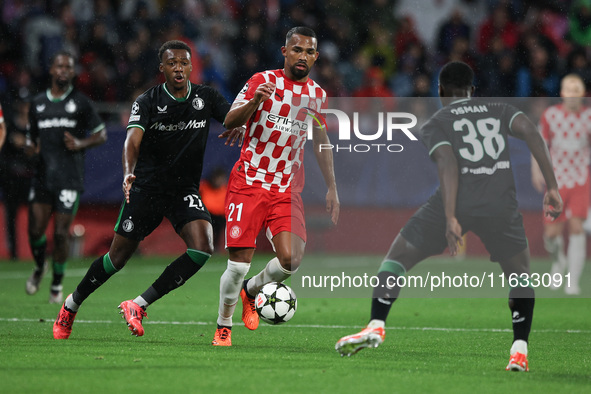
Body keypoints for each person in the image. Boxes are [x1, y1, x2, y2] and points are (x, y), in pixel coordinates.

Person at [335, 62, 563, 373]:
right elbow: (531, 132)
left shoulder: (436, 121)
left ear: (440, 92)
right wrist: (552, 187)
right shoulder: (499, 108)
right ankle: (519, 350)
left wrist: (451, 215)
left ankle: (376, 324)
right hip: (501, 206)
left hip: (455, 201)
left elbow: (447, 163)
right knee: (520, 275)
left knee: (397, 258)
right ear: (472, 91)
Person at [53, 40, 239, 340]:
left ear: (191, 67)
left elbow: (232, 117)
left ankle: (138, 305)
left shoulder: (206, 97)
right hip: (147, 189)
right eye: (172, 62)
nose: (178, 67)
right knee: (116, 259)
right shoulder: (147, 101)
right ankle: (70, 306)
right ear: (162, 68)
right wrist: (128, 173)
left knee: (202, 246)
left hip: (183, 190)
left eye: (183, 62)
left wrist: (246, 112)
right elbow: (132, 141)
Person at [211, 26, 340, 346]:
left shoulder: (318, 96)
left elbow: (321, 140)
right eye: (297, 50)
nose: (303, 56)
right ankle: (223, 325)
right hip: (249, 183)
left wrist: (332, 187)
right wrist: (255, 101)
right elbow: (229, 121)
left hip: (286, 189)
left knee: (292, 260)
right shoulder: (261, 81)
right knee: (237, 265)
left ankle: (250, 292)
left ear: (316, 57)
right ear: (285, 52)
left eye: (309, 52)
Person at [25, 51, 107, 303]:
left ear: (72, 73)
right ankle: (40, 267)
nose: (63, 70)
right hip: (42, 176)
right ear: (51, 69)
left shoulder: (80, 103)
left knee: (61, 233)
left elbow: (101, 133)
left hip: (69, 178)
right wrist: (29, 148)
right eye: (59, 66)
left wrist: (81, 142)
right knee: (35, 230)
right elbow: (31, 140)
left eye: (68, 67)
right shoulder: (38, 103)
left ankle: (57, 285)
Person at [531, 74, 591, 295]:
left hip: (580, 179)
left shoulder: (589, 117)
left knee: (577, 228)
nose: (574, 93)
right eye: (569, 89)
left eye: (578, 89)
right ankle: (558, 262)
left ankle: (572, 282)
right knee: (551, 235)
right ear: (563, 93)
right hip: (556, 181)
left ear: (583, 93)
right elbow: (539, 144)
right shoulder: (551, 115)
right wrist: (535, 169)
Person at [0, 98, 36, 260]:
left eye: (27, 104)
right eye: (22, 104)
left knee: (36, 217)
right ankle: (13, 253)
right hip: (11, 179)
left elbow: (41, 153)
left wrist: (25, 145)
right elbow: (3, 153)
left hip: (30, 179)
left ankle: (38, 252)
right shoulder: (9, 125)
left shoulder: (35, 128)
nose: (25, 108)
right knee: (11, 218)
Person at [199, 167, 228, 252]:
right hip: (207, 215)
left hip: (221, 217)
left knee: (217, 233)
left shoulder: (225, 189)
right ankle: (205, 247)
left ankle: (215, 248)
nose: (220, 181)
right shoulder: (204, 187)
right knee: (207, 232)